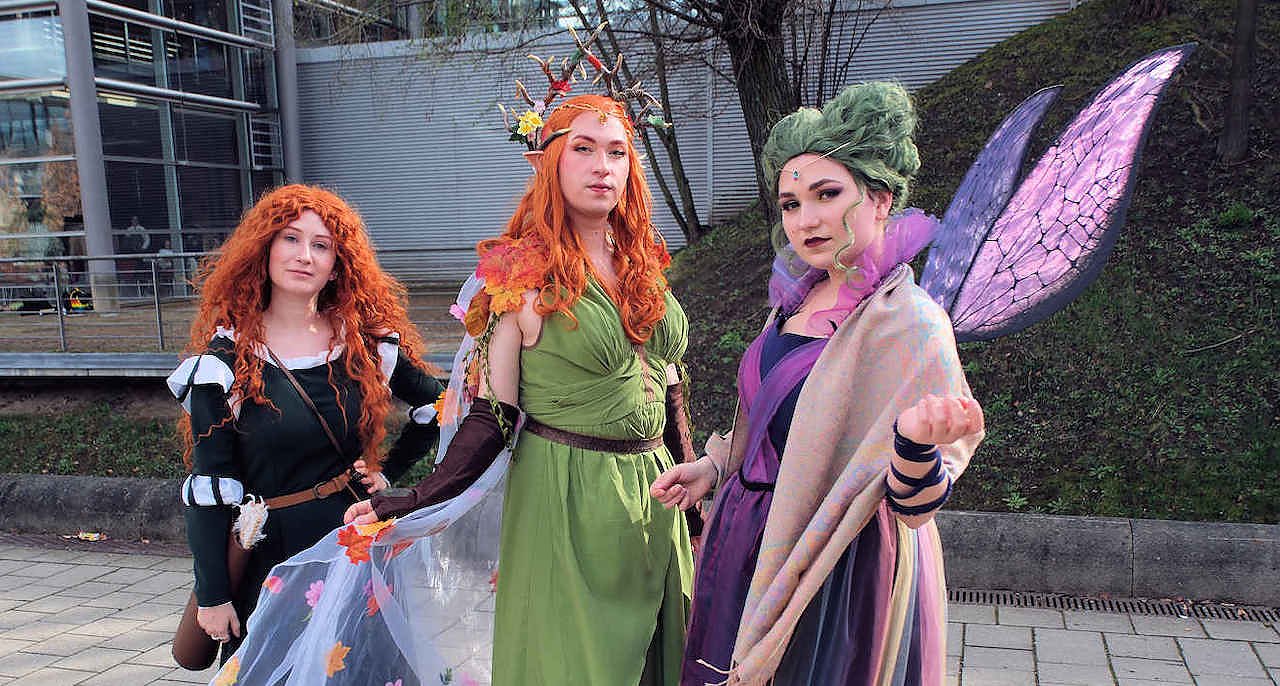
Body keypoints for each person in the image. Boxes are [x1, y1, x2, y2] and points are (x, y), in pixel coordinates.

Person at [344, 92, 698, 685]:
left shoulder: (643, 263)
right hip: (567, 496)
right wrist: (416, 497)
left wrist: (700, 505)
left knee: (662, 661)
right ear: (549, 162)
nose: (602, 167)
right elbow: (491, 416)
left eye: (617, 152)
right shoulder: (520, 276)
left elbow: (671, 392)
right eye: (583, 149)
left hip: (658, 496)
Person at [650, 83, 985, 685]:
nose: (805, 220)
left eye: (827, 194)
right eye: (790, 204)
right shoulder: (797, 299)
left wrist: (913, 443)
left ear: (879, 199)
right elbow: (765, 419)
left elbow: (916, 505)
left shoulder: (909, 324)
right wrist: (714, 467)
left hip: (837, 569)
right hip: (745, 540)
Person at [166, 184, 444, 663]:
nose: (305, 256)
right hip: (271, 563)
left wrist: (388, 474)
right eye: (291, 239)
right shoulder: (223, 365)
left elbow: (440, 407)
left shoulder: (366, 346)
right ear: (265, 249)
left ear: (338, 264)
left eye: (322, 245)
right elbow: (210, 487)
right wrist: (212, 594)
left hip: (353, 549)